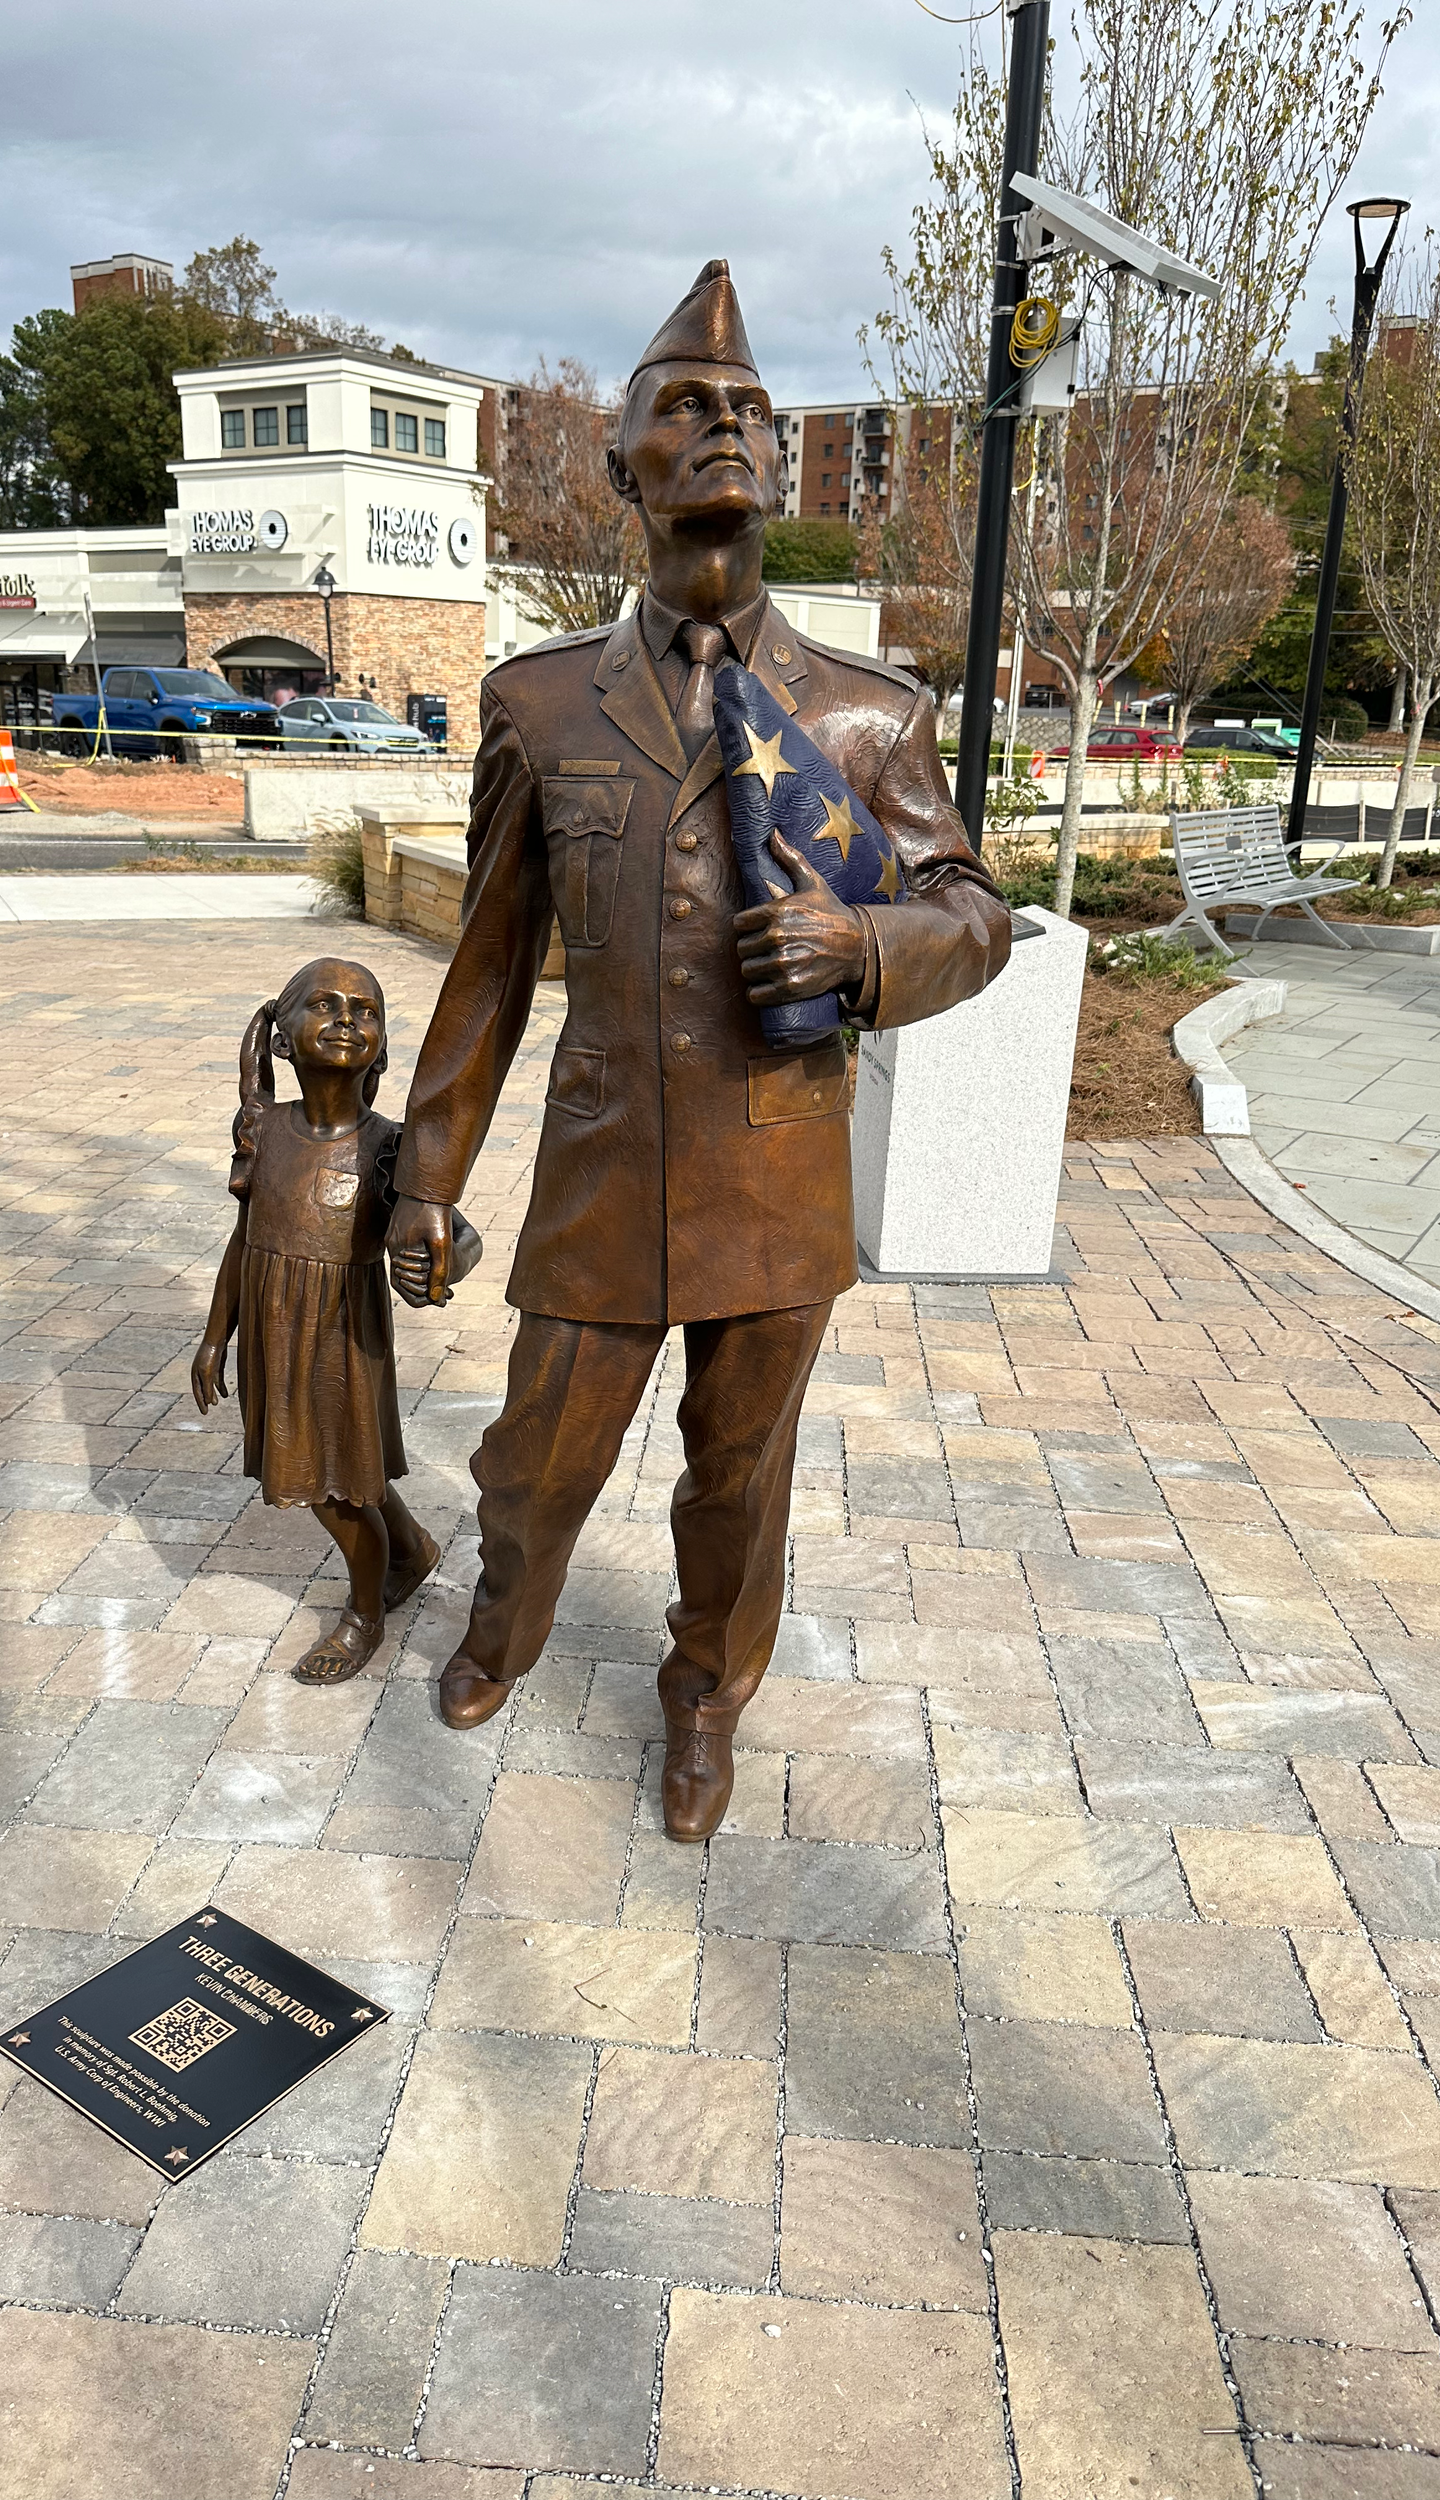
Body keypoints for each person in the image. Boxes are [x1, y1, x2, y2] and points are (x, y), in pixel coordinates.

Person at [387, 260, 1011, 1839]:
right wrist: (426, 1175)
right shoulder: (538, 705)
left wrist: (865, 945)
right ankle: (502, 1624)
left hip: (771, 1176)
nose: (721, 428)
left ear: (774, 466)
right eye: (683, 408)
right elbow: (486, 968)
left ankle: (704, 1696)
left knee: (736, 1485)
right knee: (534, 1463)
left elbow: (971, 909)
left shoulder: (864, 717)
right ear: (622, 469)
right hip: (599, 1174)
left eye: (746, 412)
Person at [191, 957, 448, 1684]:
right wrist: (217, 1335)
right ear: (283, 1037)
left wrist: (443, 1256)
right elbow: (246, 1239)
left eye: (364, 1010)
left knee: (334, 1486)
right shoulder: (264, 1130)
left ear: (383, 1045)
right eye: (325, 1006)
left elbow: (446, 1231)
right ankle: (411, 1549)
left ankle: (364, 1613)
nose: (345, 1020)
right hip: (274, 1326)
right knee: (346, 1471)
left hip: (341, 1336)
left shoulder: (392, 1145)